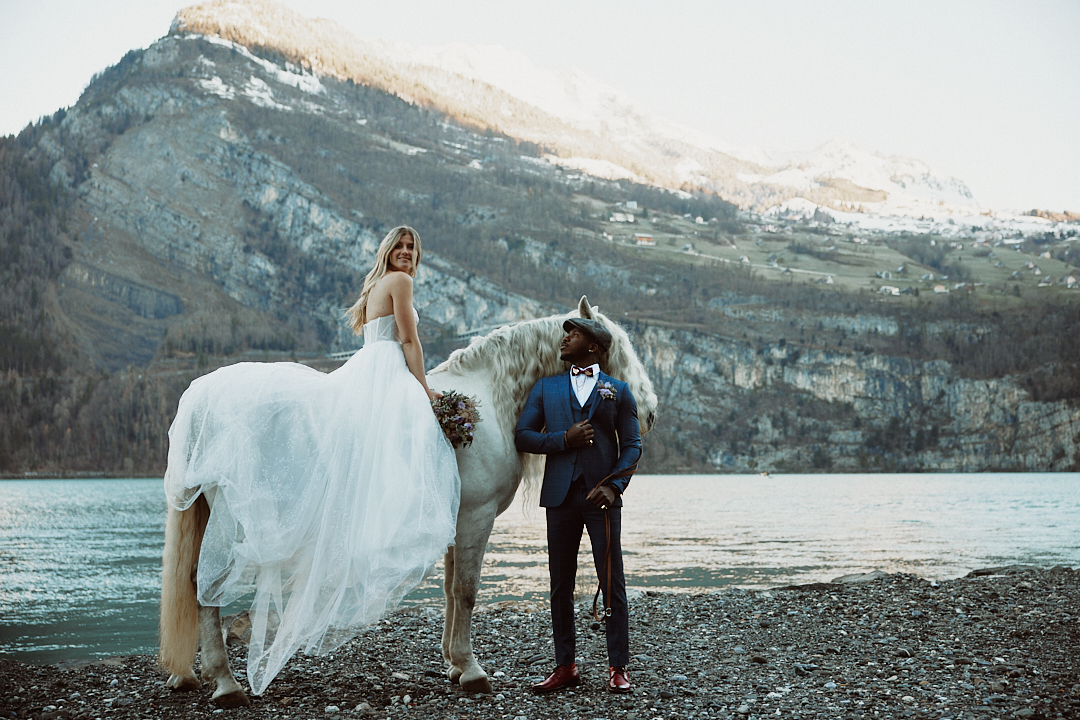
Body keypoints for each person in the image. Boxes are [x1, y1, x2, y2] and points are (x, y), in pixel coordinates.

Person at [164, 225, 460, 695]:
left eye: (412, 249)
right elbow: (409, 343)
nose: (406, 254)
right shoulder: (400, 284)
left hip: (366, 374)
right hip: (383, 379)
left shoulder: (373, 289)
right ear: (388, 253)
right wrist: (426, 393)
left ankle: (206, 654)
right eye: (399, 247)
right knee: (403, 464)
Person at [514, 316, 642, 694]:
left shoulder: (618, 390)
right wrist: (562, 440)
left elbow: (633, 446)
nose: (564, 339)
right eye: (566, 333)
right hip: (559, 497)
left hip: (601, 499)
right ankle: (565, 666)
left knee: (611, 582)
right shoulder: (545, 388)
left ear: (594, 347)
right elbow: (523, 436)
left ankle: (618, 667)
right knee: (560, 585)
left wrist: (615, 487)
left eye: (574, 334)